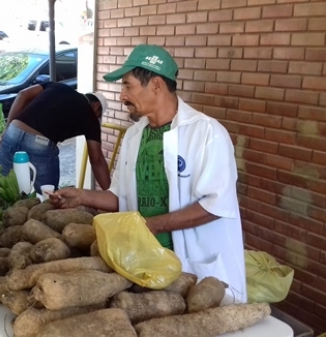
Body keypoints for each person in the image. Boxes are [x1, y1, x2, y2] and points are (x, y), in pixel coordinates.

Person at [49, 44, 247, 303]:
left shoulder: (207, 134)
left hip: (196, 270)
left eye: (127, 86)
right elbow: (122, 196)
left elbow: (216, 205)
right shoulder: (134, 135)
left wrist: (153, 225)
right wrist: (82, 197)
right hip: (148, 263)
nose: (121, 96)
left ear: (155, 85)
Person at [0, 82, 111, 193]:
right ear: (96, 106)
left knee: (7, 191)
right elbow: (97, 161)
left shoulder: (57, 86)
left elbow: (22, 94)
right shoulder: (90, 116)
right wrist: (111, 194)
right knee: (46, 199)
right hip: (39, 143)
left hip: (12, 132)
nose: (96, 118)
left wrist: (7, 130)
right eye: (98, 115)